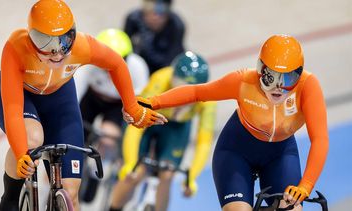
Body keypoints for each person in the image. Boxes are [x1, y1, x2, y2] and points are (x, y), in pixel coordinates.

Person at [0, 1, 166, 210]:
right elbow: (12, 111)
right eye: (44, 43)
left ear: (73, 33)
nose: (56, 53)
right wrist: (21, 154)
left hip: (59, 100)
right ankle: (10, 198)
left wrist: (132, 107)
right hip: (21, 95)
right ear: (30, 36)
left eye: (63, 42)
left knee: (71, 193)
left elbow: (117, 63)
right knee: (31, 139)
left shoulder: (83, 45)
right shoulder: (16, 47)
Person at [126, 35, 329, 211]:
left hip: (280, 154)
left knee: (292, 208)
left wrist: (306, 186)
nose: (278, 87)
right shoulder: (243, 82)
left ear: (300, 73)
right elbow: (198, 92)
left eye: (288, 78)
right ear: (260, 69)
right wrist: (153, 102)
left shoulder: (308, 86)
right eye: (271, 77)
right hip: (236, 151)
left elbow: (319, 138)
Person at [109, 51, 217, 211]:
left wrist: (191, 177)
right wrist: (130, 162)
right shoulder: (160, 80)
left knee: (167, 175)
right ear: (172, 81)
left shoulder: (208, 99)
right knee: (135, 174)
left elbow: (204, 142)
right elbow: (135, 127)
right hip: (149, 119)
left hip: (177, 128)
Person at [76, 28, 149, 202]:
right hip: (92, 98)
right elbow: (75, 91)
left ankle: (96, 171)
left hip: (118, 104)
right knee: (74, 135)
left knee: (109, 138)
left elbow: (138, 104)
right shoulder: (87, 62)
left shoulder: (137, 68)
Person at [124, 0, 185, 74]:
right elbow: (124, 50)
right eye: (150, 12)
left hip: (163, 66)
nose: (156, 18)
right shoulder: (134, 19)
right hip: (140, 65)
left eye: (161, 14)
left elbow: (172, 62)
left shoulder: (176, 26)